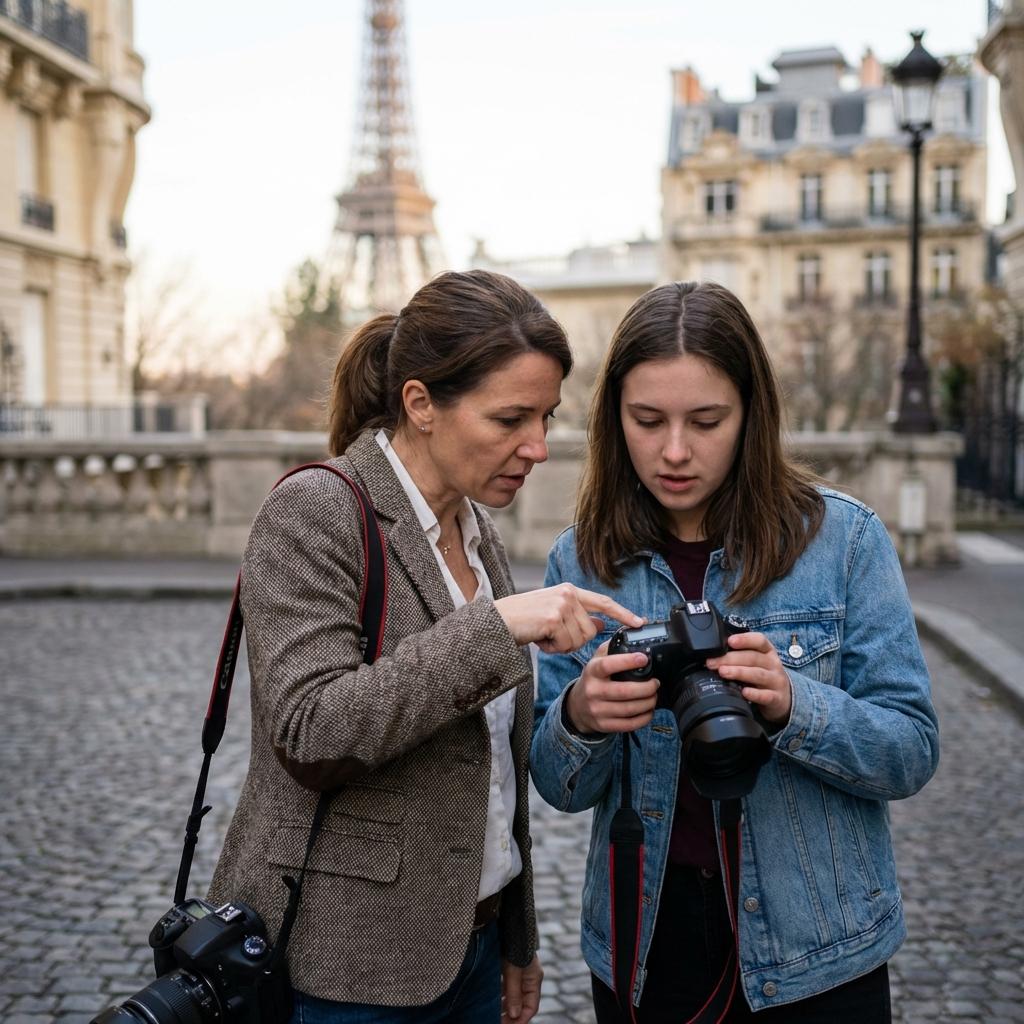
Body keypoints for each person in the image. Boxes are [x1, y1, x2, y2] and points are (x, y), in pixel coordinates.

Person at [209, 269, 643, 1024]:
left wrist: (515, 937)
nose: (538, 447)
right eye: (510, 419)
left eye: (545, 417)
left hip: (471, 954)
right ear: (420, 404)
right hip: (344, 974)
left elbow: (495, 774)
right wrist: (496, 627)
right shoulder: (314, 509)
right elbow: (310, 730)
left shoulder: (477, 533)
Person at [529, 281, 939, 1022]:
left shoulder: (843, 542)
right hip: (644, 944)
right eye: (646, 420)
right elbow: (559, 787)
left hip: (819, 948)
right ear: (613, 417)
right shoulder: (583, 562)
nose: (674, 451)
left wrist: (791, 706)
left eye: (706, 421)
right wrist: (580, 718)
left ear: (752, 414)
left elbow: (910, 751)